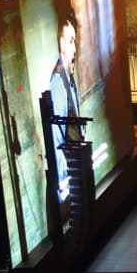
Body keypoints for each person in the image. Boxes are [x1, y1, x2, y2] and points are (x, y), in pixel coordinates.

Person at [49, 15, 83, 204]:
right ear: (61, 43)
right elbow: (57, 137)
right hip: (69, 173)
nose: (75, 48)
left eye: (75, 41)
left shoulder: (67, 76)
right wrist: (65, 182)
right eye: (71, 41)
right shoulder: (58, 82)